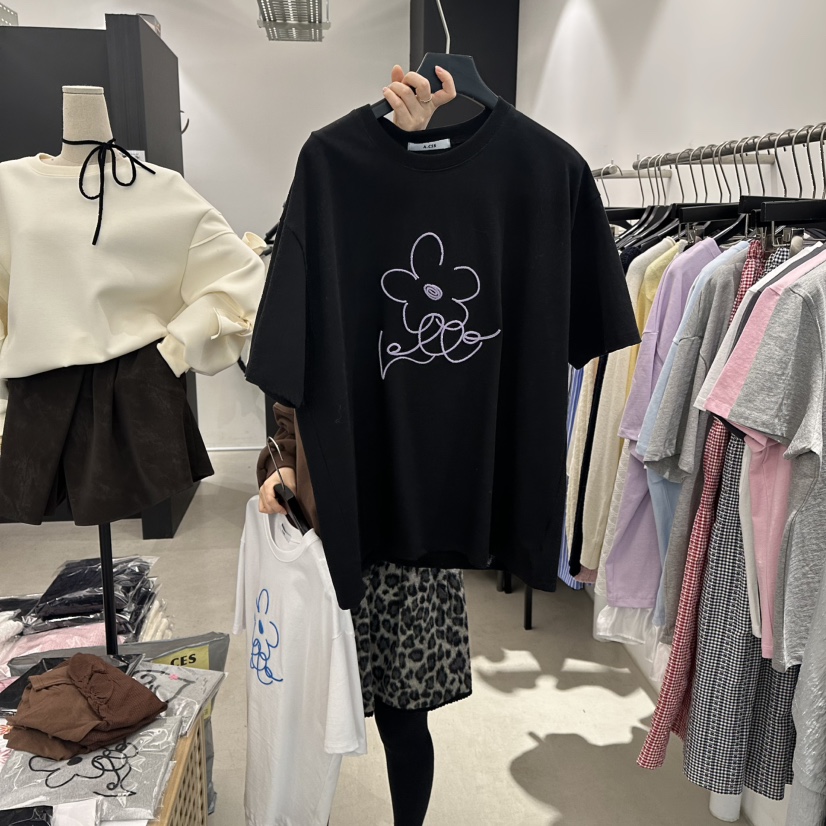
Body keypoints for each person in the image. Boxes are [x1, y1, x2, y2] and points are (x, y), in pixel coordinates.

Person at [256, 65, 472, 826]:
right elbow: (285, 374)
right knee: (313, 697)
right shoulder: (326, 196)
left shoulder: (461, 221)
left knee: (405, 719)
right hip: (333, 514)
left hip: (414, 523)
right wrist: (280, 463)